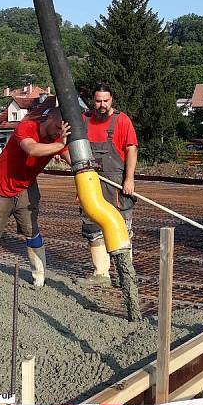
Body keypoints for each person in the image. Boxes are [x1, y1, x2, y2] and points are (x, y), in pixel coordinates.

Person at [0, 106, 70, 287]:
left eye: (62, 131)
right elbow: (32, 149)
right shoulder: (27, 127)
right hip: (0, 186)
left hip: (26, 189)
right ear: (50, 118)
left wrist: (85, 174)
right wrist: (59, 145)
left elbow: (74, 161)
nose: (58, 134)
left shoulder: (58, 140)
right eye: (58, 129)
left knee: (32, 231)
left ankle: (39, 279)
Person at [67, 84, 141, 321]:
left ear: (112, 100)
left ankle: (124, 274)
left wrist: (129, 179)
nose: (102, 105)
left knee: (122, 227)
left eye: (105, 101)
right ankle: (102, 273)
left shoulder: (122, 121)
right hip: (91, 183)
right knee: (93, 229)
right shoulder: (83, 121)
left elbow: (131, 150)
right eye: (98, 101)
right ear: (92, 101)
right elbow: (67, 147)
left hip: (117, 184)